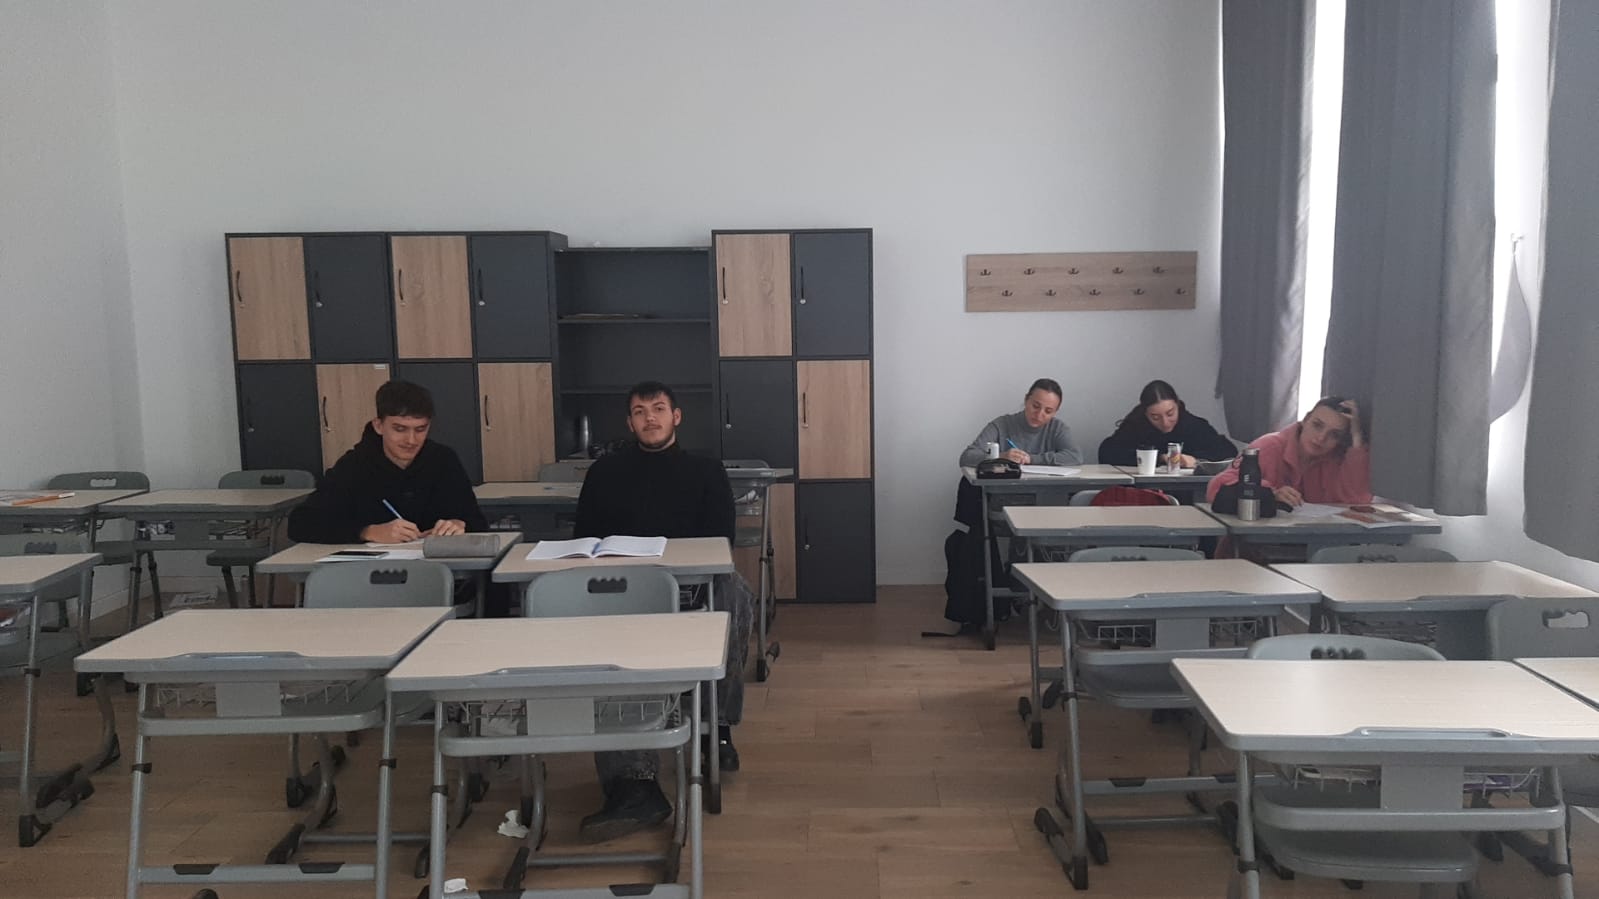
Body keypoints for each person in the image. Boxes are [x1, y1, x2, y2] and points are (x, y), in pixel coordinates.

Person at [571, 380, 755, 844]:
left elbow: (721, 541)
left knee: (735, 593)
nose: (649, 418)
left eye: (658, 408)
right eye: (639, 411)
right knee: (605, 634)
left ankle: (716, 726)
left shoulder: (705, 470)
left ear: (676, 416)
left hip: (693, 584)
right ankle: (634, 785)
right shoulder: (605, 473)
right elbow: (584, 538)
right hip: (623, 590)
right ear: (629, 422)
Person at [287, 380, 486, 543]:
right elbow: (300, 523)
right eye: (399, 429)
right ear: (379, 426)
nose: (411, 440)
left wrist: (460, 524)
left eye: (420, 429)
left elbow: (478, 522)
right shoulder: (355, 465)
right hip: (370, 574)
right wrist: (367, 532)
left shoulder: (443, 460)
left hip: (439, 569)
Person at [1205, 396, 1371, 508]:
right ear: (1305, 420)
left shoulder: (1338, 458)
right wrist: (1270, 494)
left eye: (1334, 435)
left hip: (1312, 543)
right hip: (1258, 544)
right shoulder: (1268, 446)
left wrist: (1357, 439)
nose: (1321, 438)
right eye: (1317, 425)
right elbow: (1216, 488)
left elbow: (1357, 501)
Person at [1097, 379, 1238, 467]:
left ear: (1178, 405)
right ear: (1145, 413)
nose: (1165, 422)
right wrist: (1159, 457)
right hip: (1141, 491)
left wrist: (1197, 460)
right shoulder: (1135, 425)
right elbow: (1107, 452)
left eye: (1170, 414)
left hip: (1185, 492)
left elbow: (1228, 452)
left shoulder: (1192, 425)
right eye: (1155, 417)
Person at [958, 378, 1081, 467]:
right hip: (1003, 490)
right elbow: (967, 457)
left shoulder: (1058, 428)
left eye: (1048, 411)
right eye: (1035, 406)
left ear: (1055, 412)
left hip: (1044, 489)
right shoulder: (1001, 425)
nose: (1039, 414)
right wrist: (1000, 457)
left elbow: (1075, 456)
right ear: (1026, 400)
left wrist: (1031, 459)